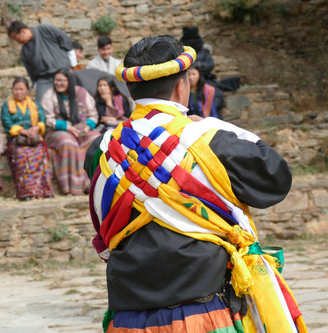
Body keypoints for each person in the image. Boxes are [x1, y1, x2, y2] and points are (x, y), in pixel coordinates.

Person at [84, 35, 307, 333]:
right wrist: (217, 125)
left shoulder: (100, 150)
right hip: (202, 317)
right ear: (181, 86)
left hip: (127, 319)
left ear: (130, 89)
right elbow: (276, 178)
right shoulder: (212, 141)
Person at [41, 68, 100, 195]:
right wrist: (67, 128)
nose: (58, 83)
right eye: (56, 80)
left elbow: (93, 115)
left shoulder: (82, 93)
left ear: (69, 81)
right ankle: (73, 187)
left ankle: (91, 183)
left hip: (81, 130)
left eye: (62, 80)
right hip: (57, 131)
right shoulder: (49, 95)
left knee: (96, 139)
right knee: (68, 143)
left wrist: (87, 127)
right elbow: (47, 119)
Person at [1, 77, 54, 201]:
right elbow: (6, 122)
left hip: (34, 138)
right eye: (16, 89)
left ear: (27, 91)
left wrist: (36, 128)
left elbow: (42, 119)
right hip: (17, 139)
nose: (18, 92)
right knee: (21, 155)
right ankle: (26, 192)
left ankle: (44, 190)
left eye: (21, 89)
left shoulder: (34, 104)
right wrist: (21, 130)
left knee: (41, 153)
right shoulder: (7, 105)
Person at [7, 21, 77, 102]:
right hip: (44, 79)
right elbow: (30, 71)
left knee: (71, 100)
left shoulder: (45, 29)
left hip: (64, 73)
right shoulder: (25, 52)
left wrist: (73, 65)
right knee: (42, 103)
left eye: (17, 38)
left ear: (23, 31)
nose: (18, 42)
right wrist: (36, 84)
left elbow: (65, 40)